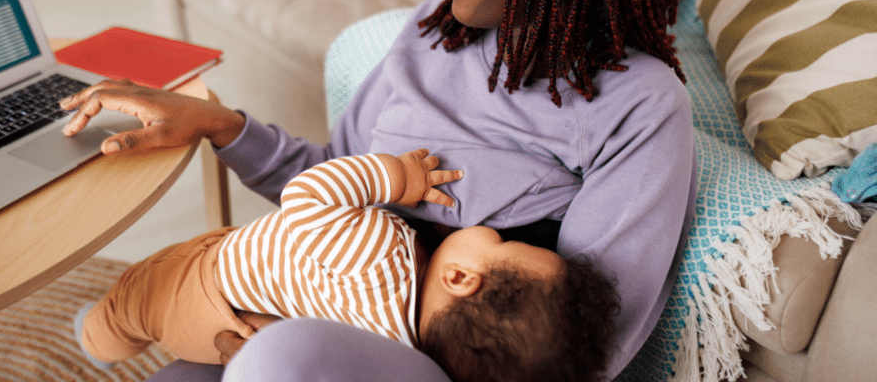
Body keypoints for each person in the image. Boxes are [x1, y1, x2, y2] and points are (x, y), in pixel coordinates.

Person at [60, 0, 697, 379]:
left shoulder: (637, 105)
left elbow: (584, 343)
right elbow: (333, 184)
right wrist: (218, 123)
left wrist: (313, 343)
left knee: (276, 360)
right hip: (314, 308)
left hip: (434, 364)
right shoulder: (432, 30)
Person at [76, 150, 619, 382]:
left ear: (459, 277)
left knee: (128, 303)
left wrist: (393, 177)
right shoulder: (399, 348)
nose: (494, 229)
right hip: (231, 332)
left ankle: (96, 341)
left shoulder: (380, 254)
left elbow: (306, 197)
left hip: (199, 281)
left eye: (500, 240)